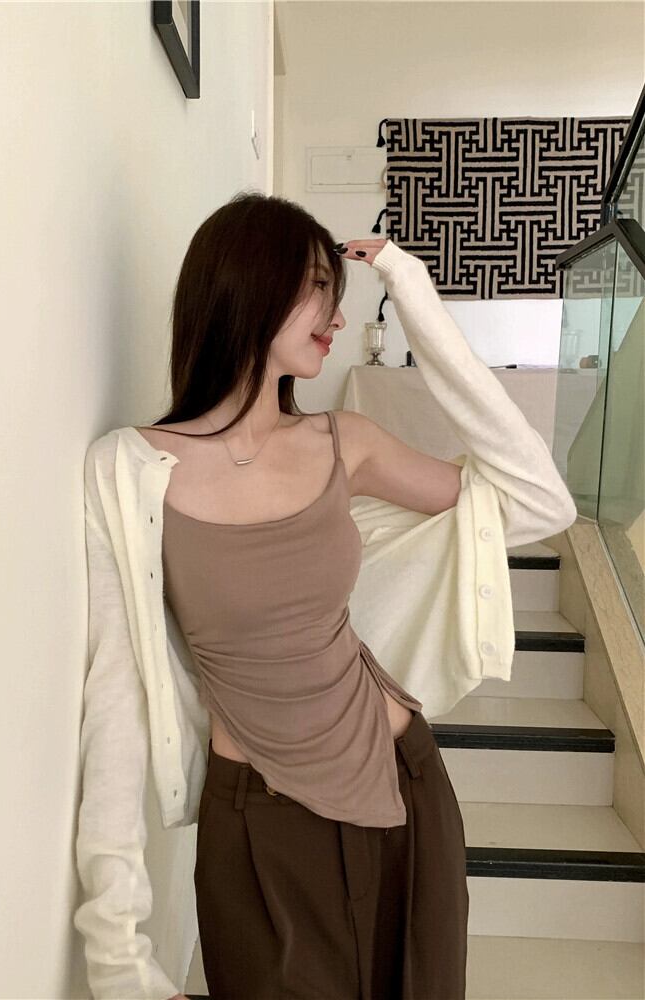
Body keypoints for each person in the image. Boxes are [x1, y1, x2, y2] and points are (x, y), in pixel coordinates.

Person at [74, 191, 577, 1000]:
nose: (337, 318)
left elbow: (540, 502)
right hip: (257, 821)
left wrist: (416, 299)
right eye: (318, 288)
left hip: (403, 782)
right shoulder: (129, 471)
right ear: (249, 283)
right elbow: (114, 695)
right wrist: (115, 951)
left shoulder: (346, 444)